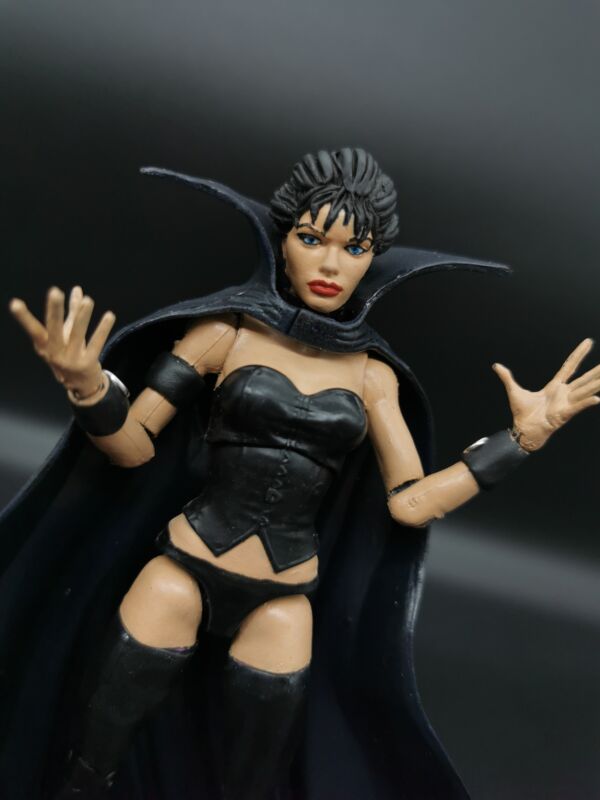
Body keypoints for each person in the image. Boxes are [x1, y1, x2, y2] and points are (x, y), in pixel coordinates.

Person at [3, 149, 599, 800]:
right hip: (183, 569)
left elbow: (409, 502)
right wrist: (90, 388)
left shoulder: (371, 376)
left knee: (255, 779)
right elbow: (134, 447)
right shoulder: (225, 334)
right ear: (282, 239)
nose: (331, 264)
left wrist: (519, 441)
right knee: (94, 759)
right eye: (313, 238)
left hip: (282, 596)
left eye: (354, 247)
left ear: (373, 259)